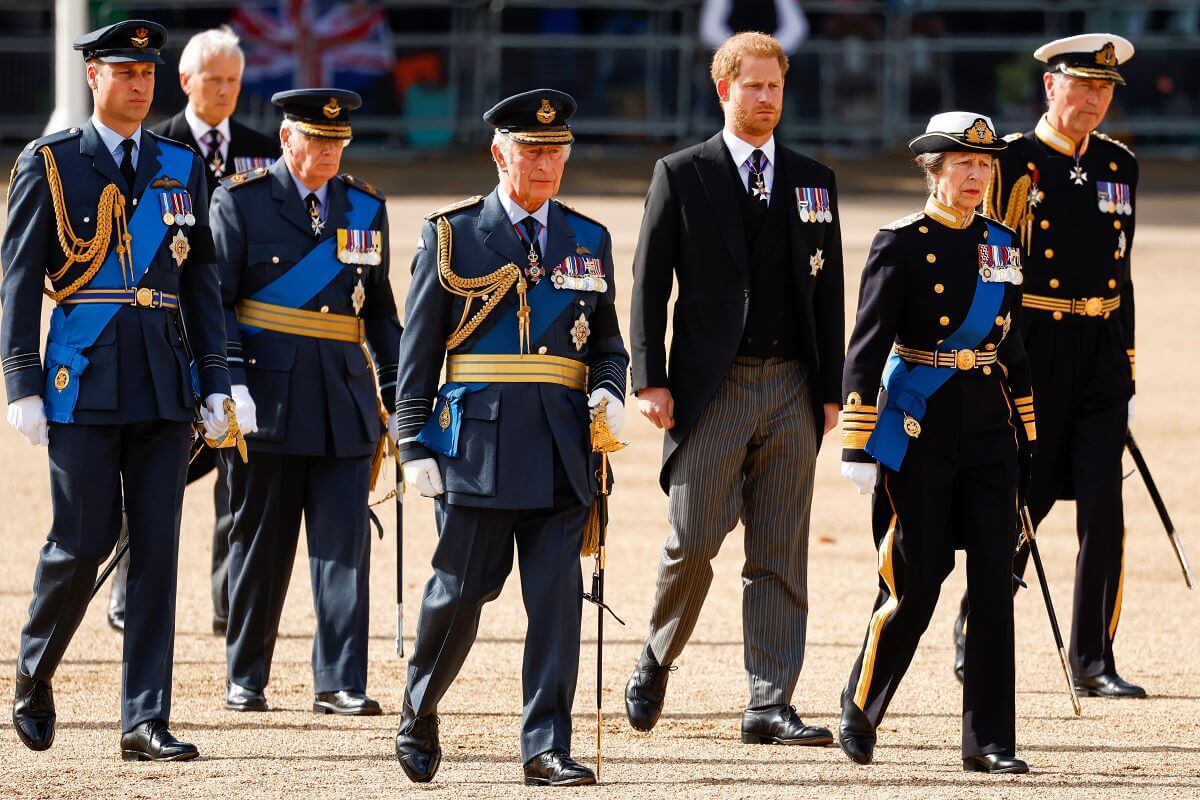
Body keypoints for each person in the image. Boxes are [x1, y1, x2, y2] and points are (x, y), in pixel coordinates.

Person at [2, 20, 231, 761]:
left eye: (148, 72)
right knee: (81, 540)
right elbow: (16, 286)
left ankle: (143, 720)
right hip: (85, 378)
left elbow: (202, 285)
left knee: (158, 551)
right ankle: (34, 672)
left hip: (165, 383)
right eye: (123, 71)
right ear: (93, 77)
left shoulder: (181, 165)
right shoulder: (52, 162)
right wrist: (20, 381)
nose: (140, 83)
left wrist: (218, 381)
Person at [392, 89, 628, 786]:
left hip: (562, 449)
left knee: (556, 604)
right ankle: (418, 707)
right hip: (479, 449)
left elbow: (606, 339)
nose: (547, 163)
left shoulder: (589, 238)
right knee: (458, 596)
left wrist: (610, 386)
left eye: (557, 151)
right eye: (533, 151)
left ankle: (545, 745)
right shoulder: (454, 234)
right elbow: (419, 349)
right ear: (500, 154)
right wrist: (411, 442)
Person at [625, 31, 844, 745]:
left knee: (780, 551)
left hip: (792, 387)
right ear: (725, 89)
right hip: (711, 388)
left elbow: (831, 292)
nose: (766, 98)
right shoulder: (681, 173)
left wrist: (833, 388)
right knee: (692, 541)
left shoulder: (815, 180)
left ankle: (768, 702)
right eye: (753, 86)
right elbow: (649, 286)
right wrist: (650, 379)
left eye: (775, 86)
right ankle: (656, 657)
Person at [836, 112, 1035, 774]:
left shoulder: (1004, 244)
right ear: (934, 169)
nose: (976, 176)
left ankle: (990, 741)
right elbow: (865, 348)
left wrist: (1028, 436)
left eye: (985, 165)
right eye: (962, 164)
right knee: (915, 582)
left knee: (992, 583)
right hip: (918, 429)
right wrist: (859, 443)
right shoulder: (901, 242)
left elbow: (1017, 349)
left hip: (986, 429)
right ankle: (861, 707)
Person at [952, 34, 1144, 699]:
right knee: (1020, 500)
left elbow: (1124, 273)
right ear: (1050, 87)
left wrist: (1128, 363)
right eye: (1082, 86)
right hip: (1032, 345)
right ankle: (978, 621)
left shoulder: (1121, 166)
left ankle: (1093, 659)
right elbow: (985, 264)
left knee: (1104, 507)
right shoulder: (1009, 163)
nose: (1093, 100)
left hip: (1099, 352)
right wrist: (992, 357)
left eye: (1104, 90)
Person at [210, 89, 401, 716]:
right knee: (261, 545)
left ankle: (340, 679)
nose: (326, 151)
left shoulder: (365, 209)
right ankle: (247, 674)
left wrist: (402, 400)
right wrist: (231, 383)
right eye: (315, 139)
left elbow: (380, 316)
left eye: (336, 141)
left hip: (344, 402)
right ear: (286, 138)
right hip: (266, 399)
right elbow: (218, 307)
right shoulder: (240, 203)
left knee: (344, 547)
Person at [107, 25, 278, 635]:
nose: (227, 91)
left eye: (235, 81)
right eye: (215, 81)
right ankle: (128, 590)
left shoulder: (263, 151)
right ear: (186, 82)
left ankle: (228, 604)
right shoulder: (156, 147)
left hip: (238, 339)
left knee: (239, 472)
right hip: (159, 332)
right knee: (157, 472)